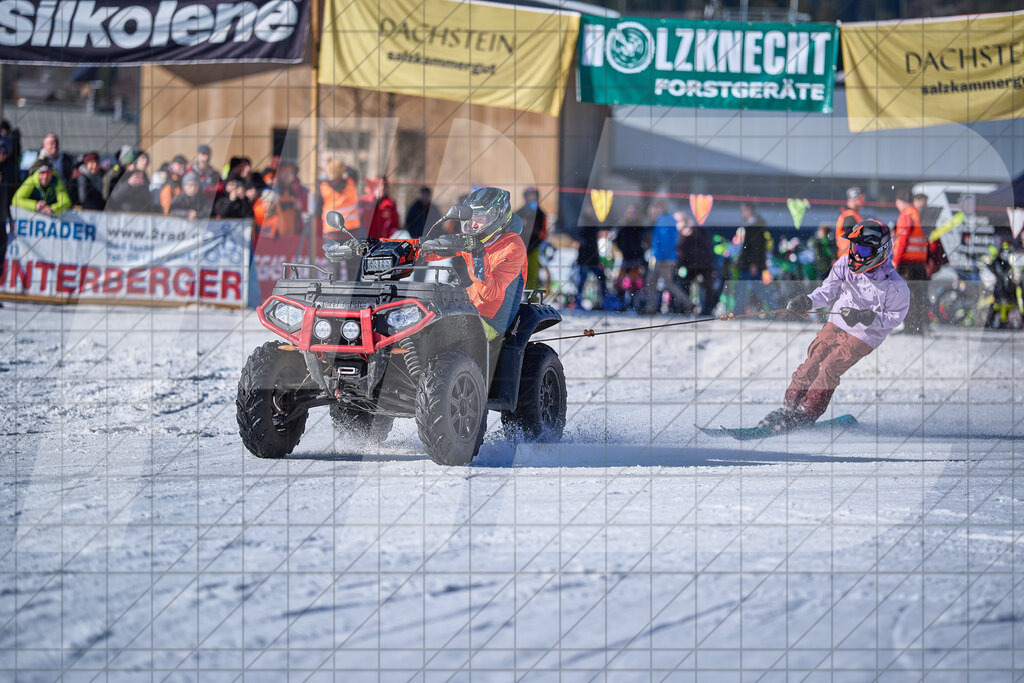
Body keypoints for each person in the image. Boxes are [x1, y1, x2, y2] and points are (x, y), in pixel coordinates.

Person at [760, 219, 909, 432]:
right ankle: (788, 409)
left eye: (863, 249)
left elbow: (895, 317)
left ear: (880, 250)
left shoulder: (895, 286)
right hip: (838, 322)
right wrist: (808, 301)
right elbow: (826, 292)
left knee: (828, 367)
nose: (856, 254)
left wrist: (868, 317)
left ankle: (806, 414)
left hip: (865, 334)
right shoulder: (844, 264)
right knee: (811, 363)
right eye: (855, 247)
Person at [417, 186, 527, 339]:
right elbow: (432, 251)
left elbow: (490, 293)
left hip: (490, 322)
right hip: (468, 308)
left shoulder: (513, 246)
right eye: (470, 219)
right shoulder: (477, 240)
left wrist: (478, 253)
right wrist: (397, 248)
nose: (473, 225)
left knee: (437, 336)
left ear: (497, 216)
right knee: (413, 324)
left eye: (480, 219)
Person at [893, 188, 930, 334]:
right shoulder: (918, 214)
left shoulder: (906, 215)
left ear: (900, 202)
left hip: (907, 262)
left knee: (907, 295)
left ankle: (910, 326)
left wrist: (896, 260)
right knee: (918, 295)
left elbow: (902, 240)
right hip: (919, 262)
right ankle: (918, 326)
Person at [645, 200, 691, 314]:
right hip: (667, 257)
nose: (653, 211)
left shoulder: (662, 220)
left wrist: (659, 256)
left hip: (663, 258)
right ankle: (650, 307)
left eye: (655, 208)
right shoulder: (669, 219)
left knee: (664, 283)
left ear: (661, 208)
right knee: (657, 281)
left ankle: (688, 303)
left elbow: (663, 240)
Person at [676, 211, 718, 316]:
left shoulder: (692, 232)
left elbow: (683, 250)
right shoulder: (702, 232)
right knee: (701, 286)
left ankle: (702, 308)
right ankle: (699, 308)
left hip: (697, 264)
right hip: (700, 264)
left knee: (700, 286)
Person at [570, 202, 608, 309]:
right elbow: (573, 233)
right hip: (583, 258)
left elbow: (595, 240)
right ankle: (578, 303)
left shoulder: (595, 222)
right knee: (581, 283)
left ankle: (604, 302)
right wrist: (582, 241)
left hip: (593, 258)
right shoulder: (580, 222)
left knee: (601, 278)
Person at [734, 201, 769, 313]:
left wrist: (753, 263)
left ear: (749, 210)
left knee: (749, 289)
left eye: (743, 210)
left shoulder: (754, 225)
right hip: (750, 263)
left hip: (751, 265)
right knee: (755, 288)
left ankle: (741, 310)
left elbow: (756, 247)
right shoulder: (753, 224)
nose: (742, 213)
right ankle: (764, 309)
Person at [613, 204, 648, 311]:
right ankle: (621, 303)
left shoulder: (640, 227)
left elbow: (644, 242)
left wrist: (640, 252)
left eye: (633, 212)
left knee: (636, 284)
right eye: (630, 212)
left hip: (636, 259)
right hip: (625, 258)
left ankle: (635, 304)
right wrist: (622, 250)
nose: (631, 214)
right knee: (620, 283)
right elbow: (616, 241)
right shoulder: (622, 226)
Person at [516, 187, 548, 290]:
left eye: (533, 195)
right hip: (521, 248)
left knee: (533, 273)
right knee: (518, 273)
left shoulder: (540, 214)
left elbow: (543, 232)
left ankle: (532, 298)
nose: (531, 198)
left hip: (534, 247)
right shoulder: (520, 213)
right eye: (529, 195)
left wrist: (537, 243)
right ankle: (518, 298)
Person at [33, 132, 76, 205]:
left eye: (56, 142)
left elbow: (70, 176)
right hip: (47, 195)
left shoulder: (66, 159)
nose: (54, 145)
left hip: (63, 191)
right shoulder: (39, 161)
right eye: (51, 143)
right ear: (45, 146)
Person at [835, 186, 865, 259]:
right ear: (855, 199)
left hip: (849, 255)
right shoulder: (849, 216)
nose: (863, 201)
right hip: (850, 257)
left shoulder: (851, 214)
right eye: (862, 198)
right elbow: (855, 236)